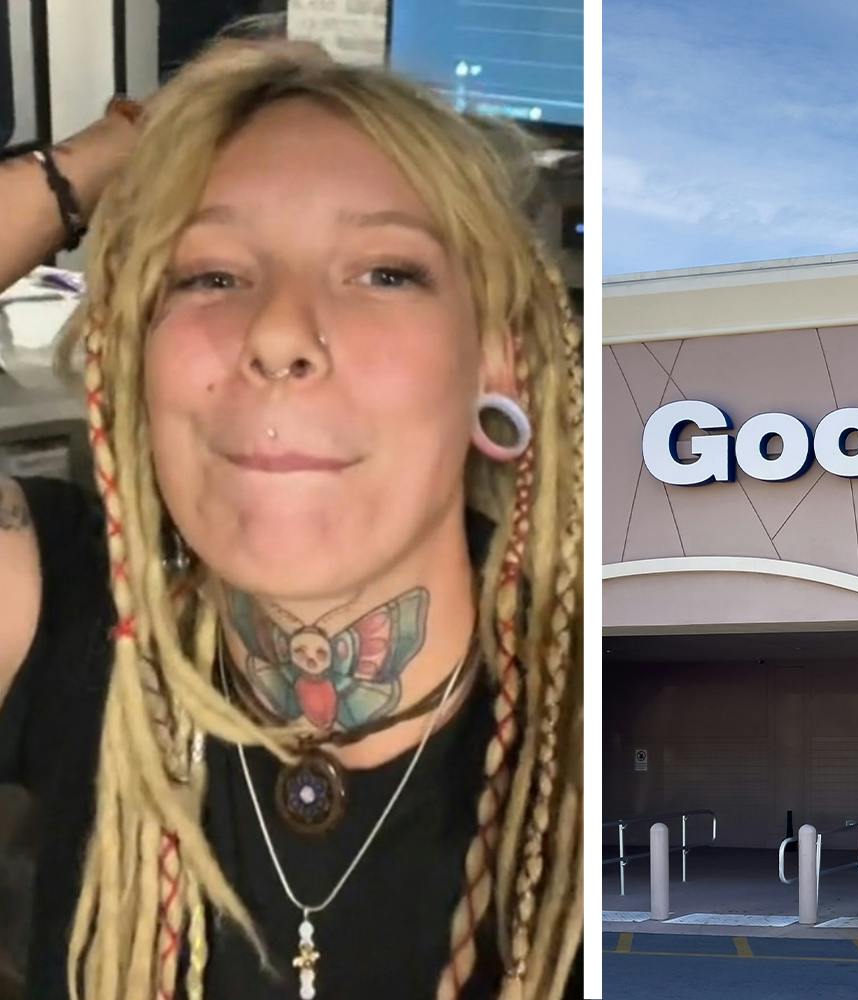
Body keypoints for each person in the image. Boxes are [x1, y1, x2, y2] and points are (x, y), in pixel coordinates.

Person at [0, 37, 582, 999]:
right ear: (130, 362)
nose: (276, 333)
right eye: (208, 276)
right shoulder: (59, 601)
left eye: (385, 272)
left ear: (499, 362)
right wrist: (96, 160)